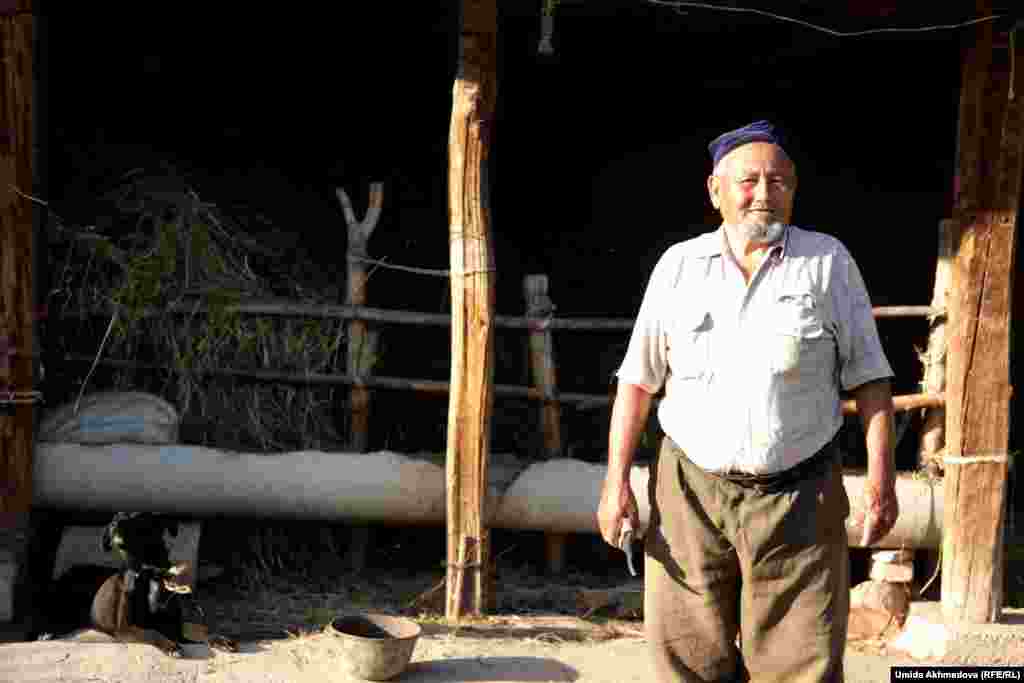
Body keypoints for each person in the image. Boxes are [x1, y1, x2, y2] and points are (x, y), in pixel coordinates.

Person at [596, 120, 898, 683]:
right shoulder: (679, 266)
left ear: (794, 189)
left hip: (800, 495)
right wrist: (616, 484)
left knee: (802, 663)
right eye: (748, 181)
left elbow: (871, 380)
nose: (764, 194)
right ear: (715, 191)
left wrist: (882, 482)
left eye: (778, 181)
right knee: (688, 660)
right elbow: (637, 382)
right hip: (689, 494)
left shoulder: (827, 262)